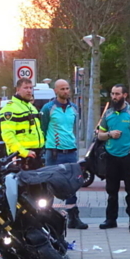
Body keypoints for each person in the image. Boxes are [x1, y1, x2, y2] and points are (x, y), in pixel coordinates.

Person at [40, 79, 87, 230]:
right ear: (55, 91)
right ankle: (46, 218)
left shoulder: (74, 108)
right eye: (62, 89)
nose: (66, 91)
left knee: (72, 186)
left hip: (71, 152)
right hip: (54, 152)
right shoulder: (48, 108)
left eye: (67, 88)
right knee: (49, 187)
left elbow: (73, 129)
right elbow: (43, 128)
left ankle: (73, 217)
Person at [96, 84, 130, 230]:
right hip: (111, 156)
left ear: (125, 95)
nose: (114, 97)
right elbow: (100, 135)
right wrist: (109, 134)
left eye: (117, 94)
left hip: (127, 157)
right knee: (111, 190)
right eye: (113, 94)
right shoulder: (107, 114)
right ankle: (110, 219)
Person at [0, 77, 45, 170]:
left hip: (35, 154)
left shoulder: (31, 107)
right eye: (25, 88)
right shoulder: (10, 108)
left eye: (30, 88)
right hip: (21, 157)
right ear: (18, 89)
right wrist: (23, 152)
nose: (29, 91)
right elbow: (8, 136)